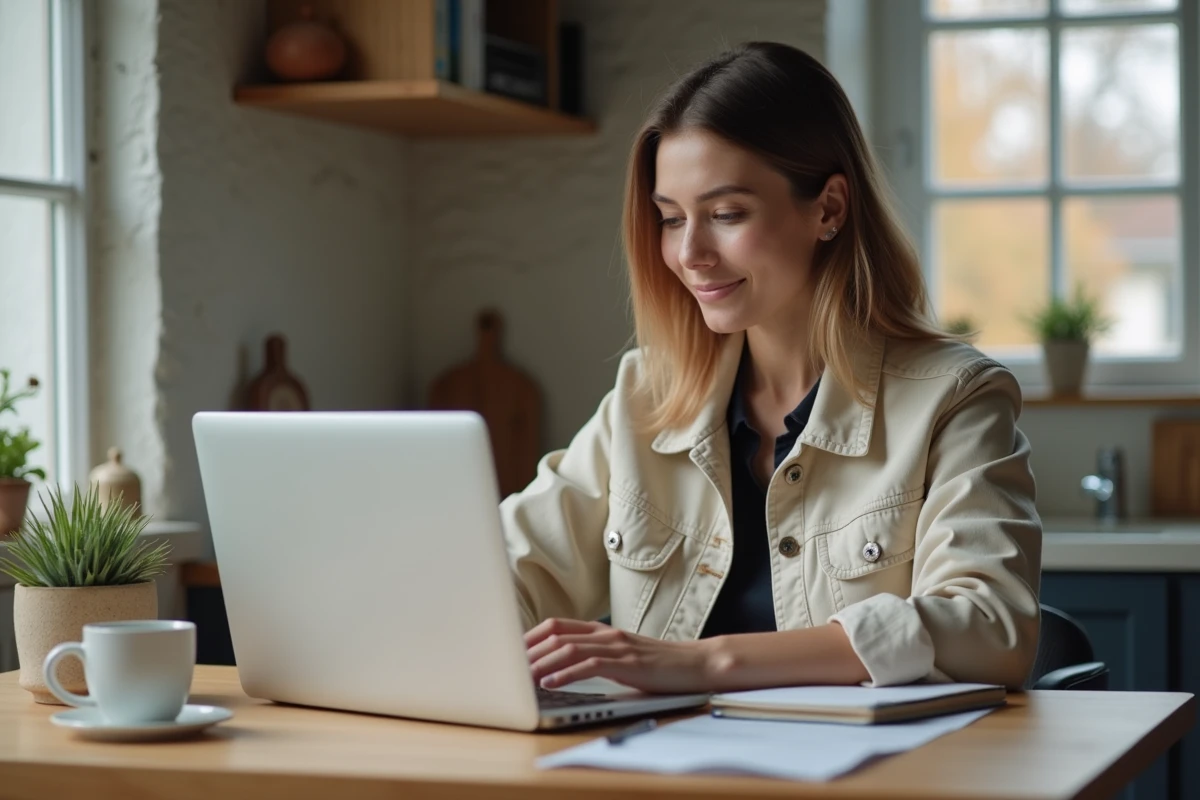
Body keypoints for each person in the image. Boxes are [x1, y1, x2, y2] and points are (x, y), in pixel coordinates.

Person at [502, 41, 1041, 695]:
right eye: (670, 219)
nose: (690, 253)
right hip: (653, 757)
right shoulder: (645, 396)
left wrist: (707, 663)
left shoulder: (954, 397)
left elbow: (990, 627)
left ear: (829, 209)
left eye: (726, 214)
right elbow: (503, 569)